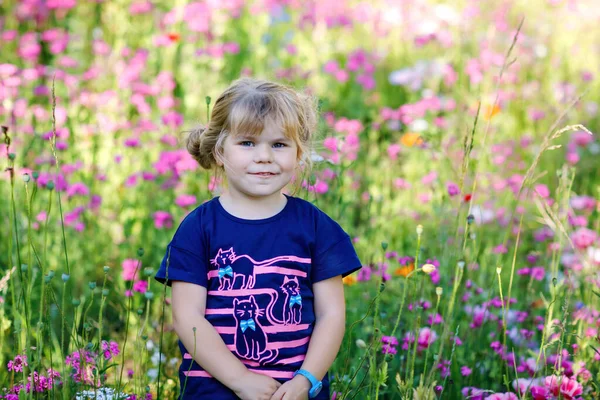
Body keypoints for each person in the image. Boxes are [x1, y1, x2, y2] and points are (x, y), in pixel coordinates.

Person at [155, 77, 362, 400]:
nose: (264, 156)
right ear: (220, 150)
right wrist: (239, 379)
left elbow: (331, 314)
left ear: (299, 153)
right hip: (216, 389)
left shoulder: (316, 227)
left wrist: (306, 380)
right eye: (248, 143)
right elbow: (187, 316)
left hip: (292, 391)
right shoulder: (198, 228)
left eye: (279, 144)